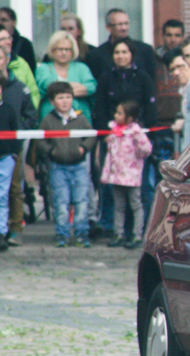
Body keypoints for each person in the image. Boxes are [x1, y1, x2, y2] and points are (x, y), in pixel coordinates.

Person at [36, 82, 95, 248]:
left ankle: (81, 233)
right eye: (60, 98)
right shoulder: (48, 120)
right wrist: (51, 152)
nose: (65, 101)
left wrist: (84, 148)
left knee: (82, 201)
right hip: (57, 167)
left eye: (68, 97)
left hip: (79, 166)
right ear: (52, 101)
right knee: (61, 201)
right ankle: (62, 233)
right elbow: (40, 140)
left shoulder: (80, 117)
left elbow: (91, 135)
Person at [101, 100, 152, 249]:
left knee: (136, 205)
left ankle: (137, 235)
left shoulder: (135, 132)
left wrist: (137, 139)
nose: (116, 115)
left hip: (131, 176)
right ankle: (119, 234)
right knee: (119, 206)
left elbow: (147, 150)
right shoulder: (115, 130)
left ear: (130, 118)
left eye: (119, 113)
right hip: (117, 176)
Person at [35, 31, 96, 120]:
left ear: (73, 51)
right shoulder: (44, 68)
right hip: (51, 118)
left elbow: (91, 87)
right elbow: (49, 85)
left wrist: (60, 91)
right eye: (60, 49)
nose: (64, 53)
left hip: (80, 118)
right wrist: (76, 89)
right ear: (52, 50)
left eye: (67, 49)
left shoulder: (82, 68)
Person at [0, 45, 26, 251]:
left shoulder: (17, 88)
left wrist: (15, 149)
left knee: (11, 191)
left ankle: (11, 229)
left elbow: (26, 117)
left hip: (9, 153)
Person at [88, 8, 156, 83]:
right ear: (108, 27)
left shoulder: (145, 50)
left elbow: (151, 81)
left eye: (126, 23)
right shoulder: (96, 55)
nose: (124, 28)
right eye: (120, 24)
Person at [166, 54, 190, 152]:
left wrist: (184, 123)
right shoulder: (184, 89)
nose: (176, 73)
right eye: (172, 69)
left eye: (180, 67)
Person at [0, 7, 36, 72]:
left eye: (4, 20)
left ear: (14, 23)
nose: (0, 23)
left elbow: (31, 70)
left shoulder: (25, 44)